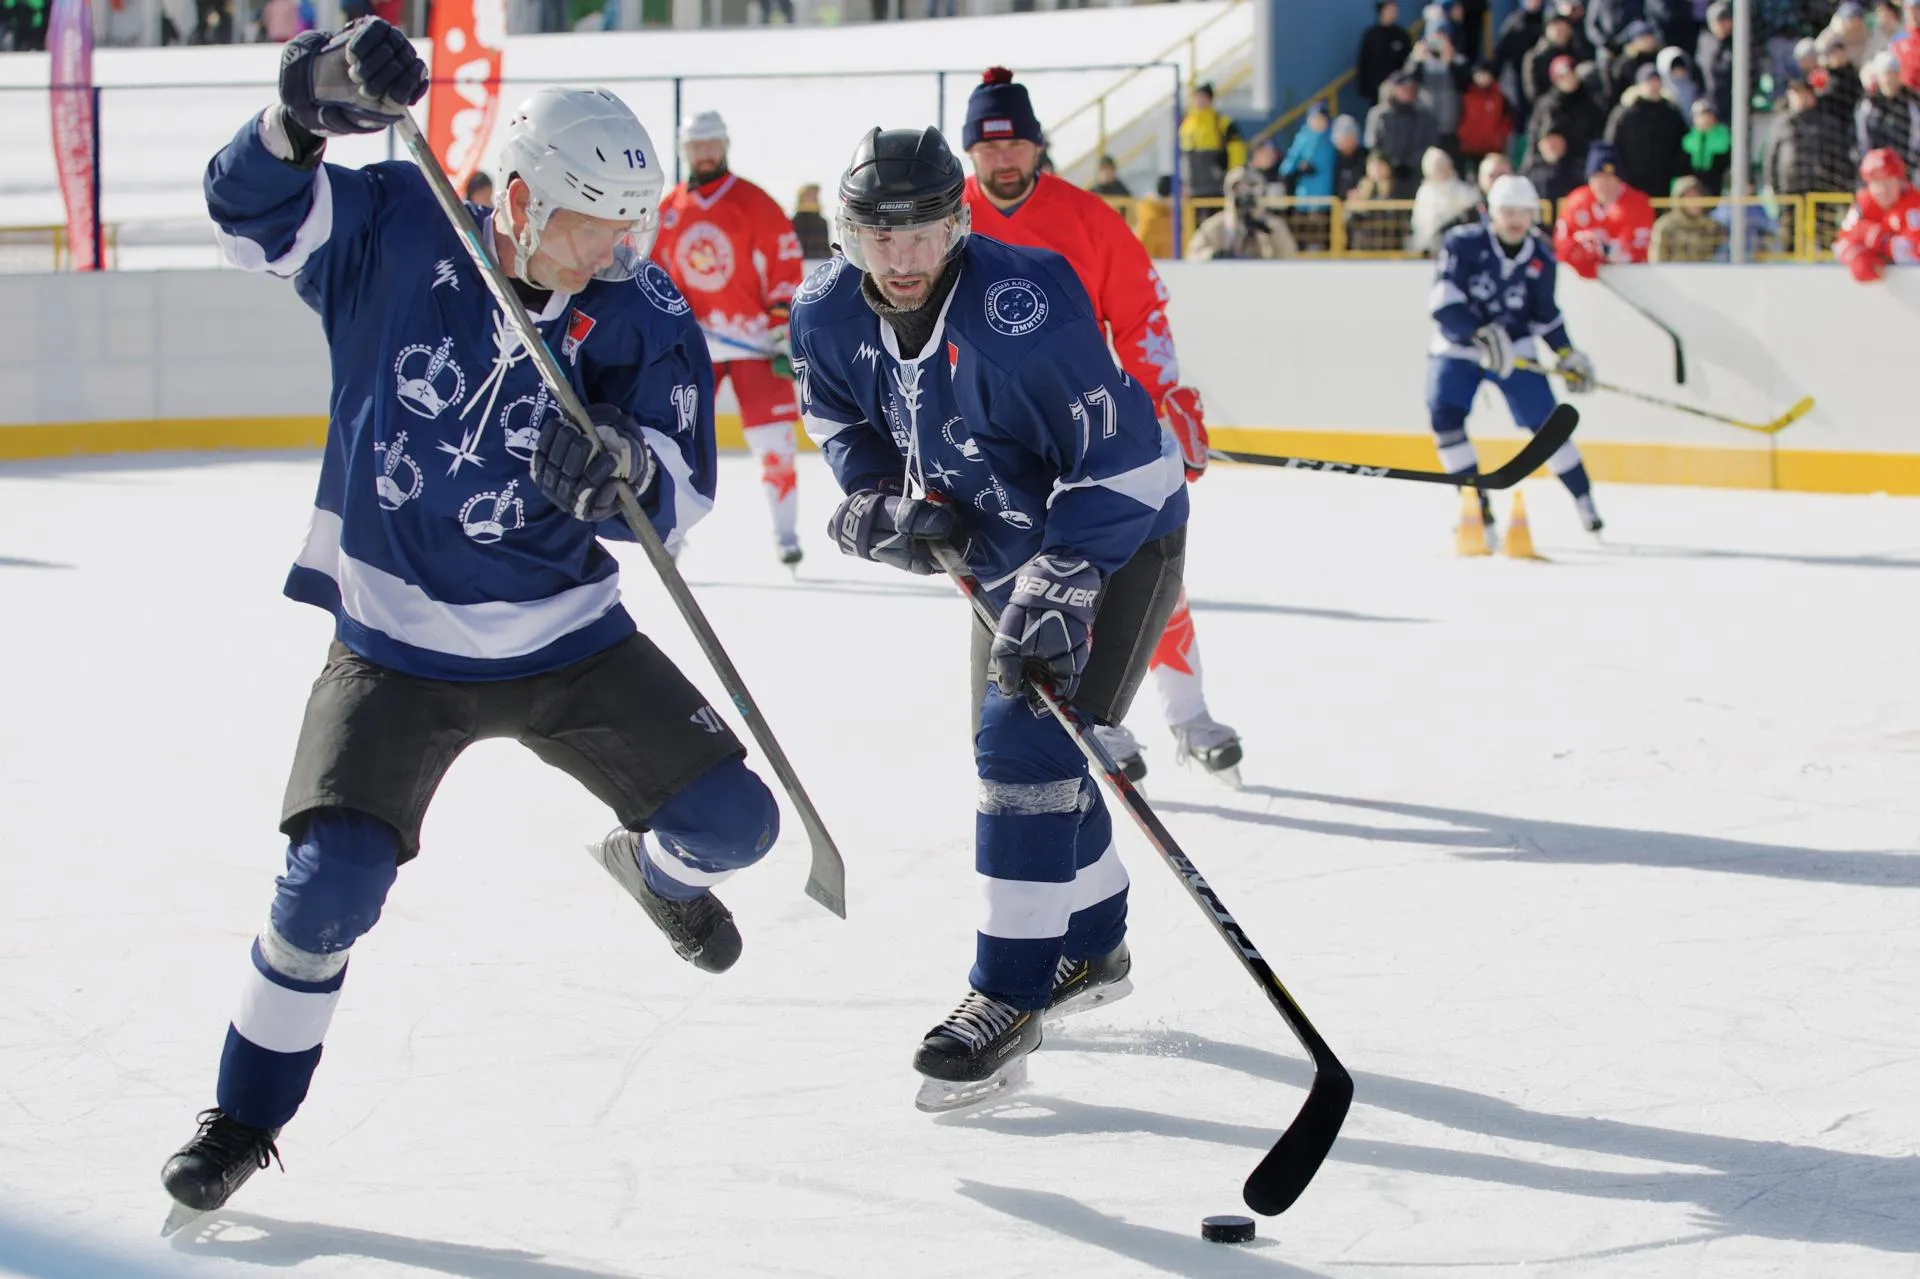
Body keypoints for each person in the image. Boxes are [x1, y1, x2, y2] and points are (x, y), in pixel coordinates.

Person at [164, 33, 781, 1223]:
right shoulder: (398, 222)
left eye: (627, 222)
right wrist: (302, 109)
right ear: (516, 195)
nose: (615, 248)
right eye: (590, 222)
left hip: (568, 640)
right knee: (325, 889)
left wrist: (626, 475)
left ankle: (652, 875)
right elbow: (246, 218)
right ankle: (242, 1117)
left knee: (735, 825)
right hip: (394, 644)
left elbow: (686, 485)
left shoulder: (640, 307)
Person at [792, 126, 1189, 1108]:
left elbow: (1137, 464)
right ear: (849, 236)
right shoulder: (825, 311)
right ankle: (1091, 946)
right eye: (882, 236)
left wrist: (1066, 574)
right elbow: (840, 420)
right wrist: (879, 495)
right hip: (1006, 551)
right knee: (1021, 754)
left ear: (959, 222)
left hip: (1119, 542)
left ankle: (1006, 997)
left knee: (1023, 744)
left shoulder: (1026, 303)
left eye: (926, 232)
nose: (905, 258)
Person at [957, 67, 1242, 782]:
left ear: (1037, 147)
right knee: (1035, 589)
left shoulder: (1087, 217)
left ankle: (1189, 714)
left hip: (1091, 428)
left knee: (1152, 578)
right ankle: (1084, 719)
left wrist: (1164, 398)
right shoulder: (944, 219)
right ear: (970, 154)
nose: (1003, 159)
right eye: (988, 147)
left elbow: (1141, 318)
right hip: (994, 445)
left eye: (1016, 143)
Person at [653, 110, 808, 567]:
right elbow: (654, 277)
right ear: (684, 150)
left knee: (775, 442)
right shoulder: (668, 211)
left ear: (724, 146)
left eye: (710, 144)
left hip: (753, 344)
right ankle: (671, 530)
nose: (704, 154)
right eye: (695, 146)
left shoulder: (754, 202)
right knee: (674, 439)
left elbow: (784, 264)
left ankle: (786, 533)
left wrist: (782, 323)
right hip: (695, 345)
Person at [1429, 174, 1603, 545]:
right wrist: (1476, 331)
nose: (1514, 219)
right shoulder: (1463, 243)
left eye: (1522, 212)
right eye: (1507, 211)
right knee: (1444, 416)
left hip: (1515, 350)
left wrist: (1566, 353)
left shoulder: (1540, 256)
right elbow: (1443, 302)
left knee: (1547, 426)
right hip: (1461, 346)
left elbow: (1545, 315)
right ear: (1491, 213)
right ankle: (1476, 506)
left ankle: (1585, 501)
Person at [1554, 140, 1655, 275]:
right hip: (1581, 282)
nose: (1605, 184)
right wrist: (1581, 248)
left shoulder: (1638, 205)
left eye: (1610, 177)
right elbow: (1561, 244)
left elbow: (1640, 250)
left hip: (1630, 279)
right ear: (1590, 179)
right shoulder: (1576, 202)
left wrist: (1605, 250)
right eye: (1599, 178)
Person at [1605, 63, 1689, 200]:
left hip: (1664, 185)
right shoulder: (1625, 113)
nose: (1653, 86)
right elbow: (1612, 144)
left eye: (1656, 81)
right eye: (1649, 81)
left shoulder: (1672, 113)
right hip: (1631, 184)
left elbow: (1683, 147)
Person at [1836, 146, 1920, 278]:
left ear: (1901, 181)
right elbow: (1840, 244)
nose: (1882, 190)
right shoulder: (1863, 203)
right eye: (1876, 184)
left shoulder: (1915, 205)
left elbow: (1915, 254)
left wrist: (1881, 241)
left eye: (1887, 182)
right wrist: (1859, 258)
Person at [1768, 78, 1857, 198]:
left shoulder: (1827, 124)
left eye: (1802, 93)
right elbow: (1772, 157)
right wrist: (1773, 187)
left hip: (1820, 192)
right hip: (1789, 192)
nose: (1798, 98)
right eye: (1794, 94)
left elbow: (1838, 156)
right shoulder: (1783, 123)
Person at [1188, 166, 1299, 259]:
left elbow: (1289, 256)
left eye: (1251, 185)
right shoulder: (1216, 225)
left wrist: (1267, 235)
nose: (1245, 192)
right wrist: (1215, 256)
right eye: (1238, 187)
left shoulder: (1274, 225)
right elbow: (1192, 255)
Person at [1367, 70, 1442, 198]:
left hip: (1416, 174)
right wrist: (1389, 165)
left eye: (1410, 87)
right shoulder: (1379, 115)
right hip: (1386, 176)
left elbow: (1430, 143)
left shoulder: (1425, 115)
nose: (1407, 90)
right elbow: (1373, 145)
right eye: (1402, 87)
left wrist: (1411, 163)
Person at [1527, 54, 1607, 174]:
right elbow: (1537, 137)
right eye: (1562, 77)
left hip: (1583, 164)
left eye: (1571, 74)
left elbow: (1598, 134)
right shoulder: (1547, 106)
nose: (1568, 79)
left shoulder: (1590, 102)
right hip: (1553, 168)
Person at [1179, 81, 1247, 201]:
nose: (1200, 101)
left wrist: (1235, 177)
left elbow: (1237, 151)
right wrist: (1182, 183)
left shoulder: (1222, 123)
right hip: (1192, 188)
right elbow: (1183, 157)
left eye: (1203, 97)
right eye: (1197, 97)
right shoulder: (1186, 125)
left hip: (1217, 187)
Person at [1411, 146, 1484, 251]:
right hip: (1430, 246)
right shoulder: (1424, 192)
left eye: (1443, 166)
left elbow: (1473, 210)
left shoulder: (1463, 189)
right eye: (1436, 167)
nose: (1440, 170)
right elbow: (1419, 221)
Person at [1857, 50, 1920, 166]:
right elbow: (1861, 139)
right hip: (1876, 166)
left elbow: (1917, 136)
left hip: (1908, 165)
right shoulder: (1868, 104)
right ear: (1879, 77)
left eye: (1894, 74)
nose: (1890, 79)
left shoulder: (1912, 102)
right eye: (1886, 74)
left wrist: (1911, 163)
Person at [1649, 174, 1729, 259]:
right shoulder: (1665, 226)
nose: (1694, 200)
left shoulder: (1714, 227)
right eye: (1688, 196)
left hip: (1706, 271)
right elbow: (1657, 260)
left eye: (1697, 195)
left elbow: (1722, 258)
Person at [1457, 62, 1515, 168]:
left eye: (1485, 75)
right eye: (1479, 75)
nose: (1482, 78)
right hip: (1470, 146)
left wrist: (1499, 135)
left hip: (1492, 147)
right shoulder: (1467, 95)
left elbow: (1507, 119)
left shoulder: (1499, 97)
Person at [1359, 0, 1416, 107]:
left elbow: (1410, 62)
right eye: (1390, 8)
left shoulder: (1402, 35)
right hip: (1378, 95)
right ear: (1382, 10)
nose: (1394, 11)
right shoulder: (1371, 36)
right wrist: (1366, 91)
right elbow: (1364, 64)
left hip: (1401, 93)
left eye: (1395, 8)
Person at [1280, 105, 1337, 198]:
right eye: (1314, 119)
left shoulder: (1333, 139)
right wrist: (1299, 169)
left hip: (1327, 197)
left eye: (1321, 119)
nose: (1317, 122)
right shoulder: (1302, 139)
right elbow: (1288, 165)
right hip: (1305, 195)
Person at [1682, 97, 1734, 193]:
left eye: (1708, 115)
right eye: (1700, 116)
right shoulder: (1688, 139)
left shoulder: (1724, 136)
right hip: (1694, 190)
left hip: (1719, 188)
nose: (1704, 119)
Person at [1525, 126, 1583, 199]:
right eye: (1548, 141)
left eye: (1556, 141)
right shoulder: (1529, 174)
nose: (1552, 145)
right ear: (1539, 145)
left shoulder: (1578, 172)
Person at [791, 183, 831, 259]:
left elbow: (826, 248)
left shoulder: (822, 222)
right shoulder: (794, 222)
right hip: (802, 263)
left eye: (814, 195)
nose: (813, 198)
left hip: (819, 262)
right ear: (801, 197)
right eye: (809, 195)